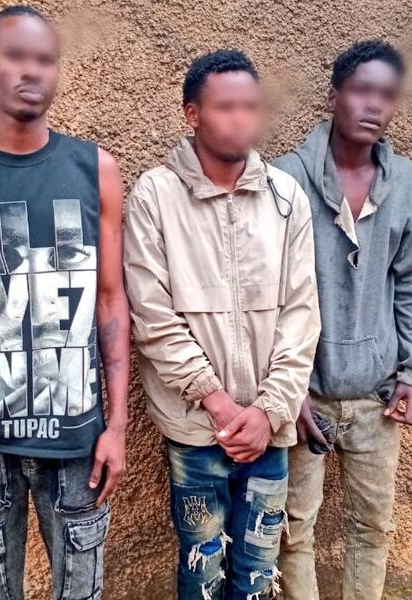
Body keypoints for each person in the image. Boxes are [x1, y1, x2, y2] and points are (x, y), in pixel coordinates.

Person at [124, 49, 320, 600]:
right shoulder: (155, 196)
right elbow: (152, 314)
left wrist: (269, 410)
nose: (241, 119)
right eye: (225, 107)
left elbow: (302, 313)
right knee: (203, 568)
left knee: (257, 572)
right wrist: (217, 402)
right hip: (195, 427)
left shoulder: (285, 197)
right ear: (193, 114)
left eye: (250, 107)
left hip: (269, 428)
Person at [0, 5, 130, 599]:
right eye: (16, 56)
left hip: (77, 442)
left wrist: (117, 426)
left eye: (46, 59)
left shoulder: (96, 169)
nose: (32, 70)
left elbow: (111, 301)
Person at [273, 40, 412, 600]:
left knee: (373, 527)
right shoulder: (285, 179)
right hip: (303, 394)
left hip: (377, 398)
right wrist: (285, 391)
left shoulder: (405, 183)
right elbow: (265, 295)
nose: (373, 105)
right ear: (334, 96)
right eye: (361, 90)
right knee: (294, 531)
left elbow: (410, 283)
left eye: (387, 95)